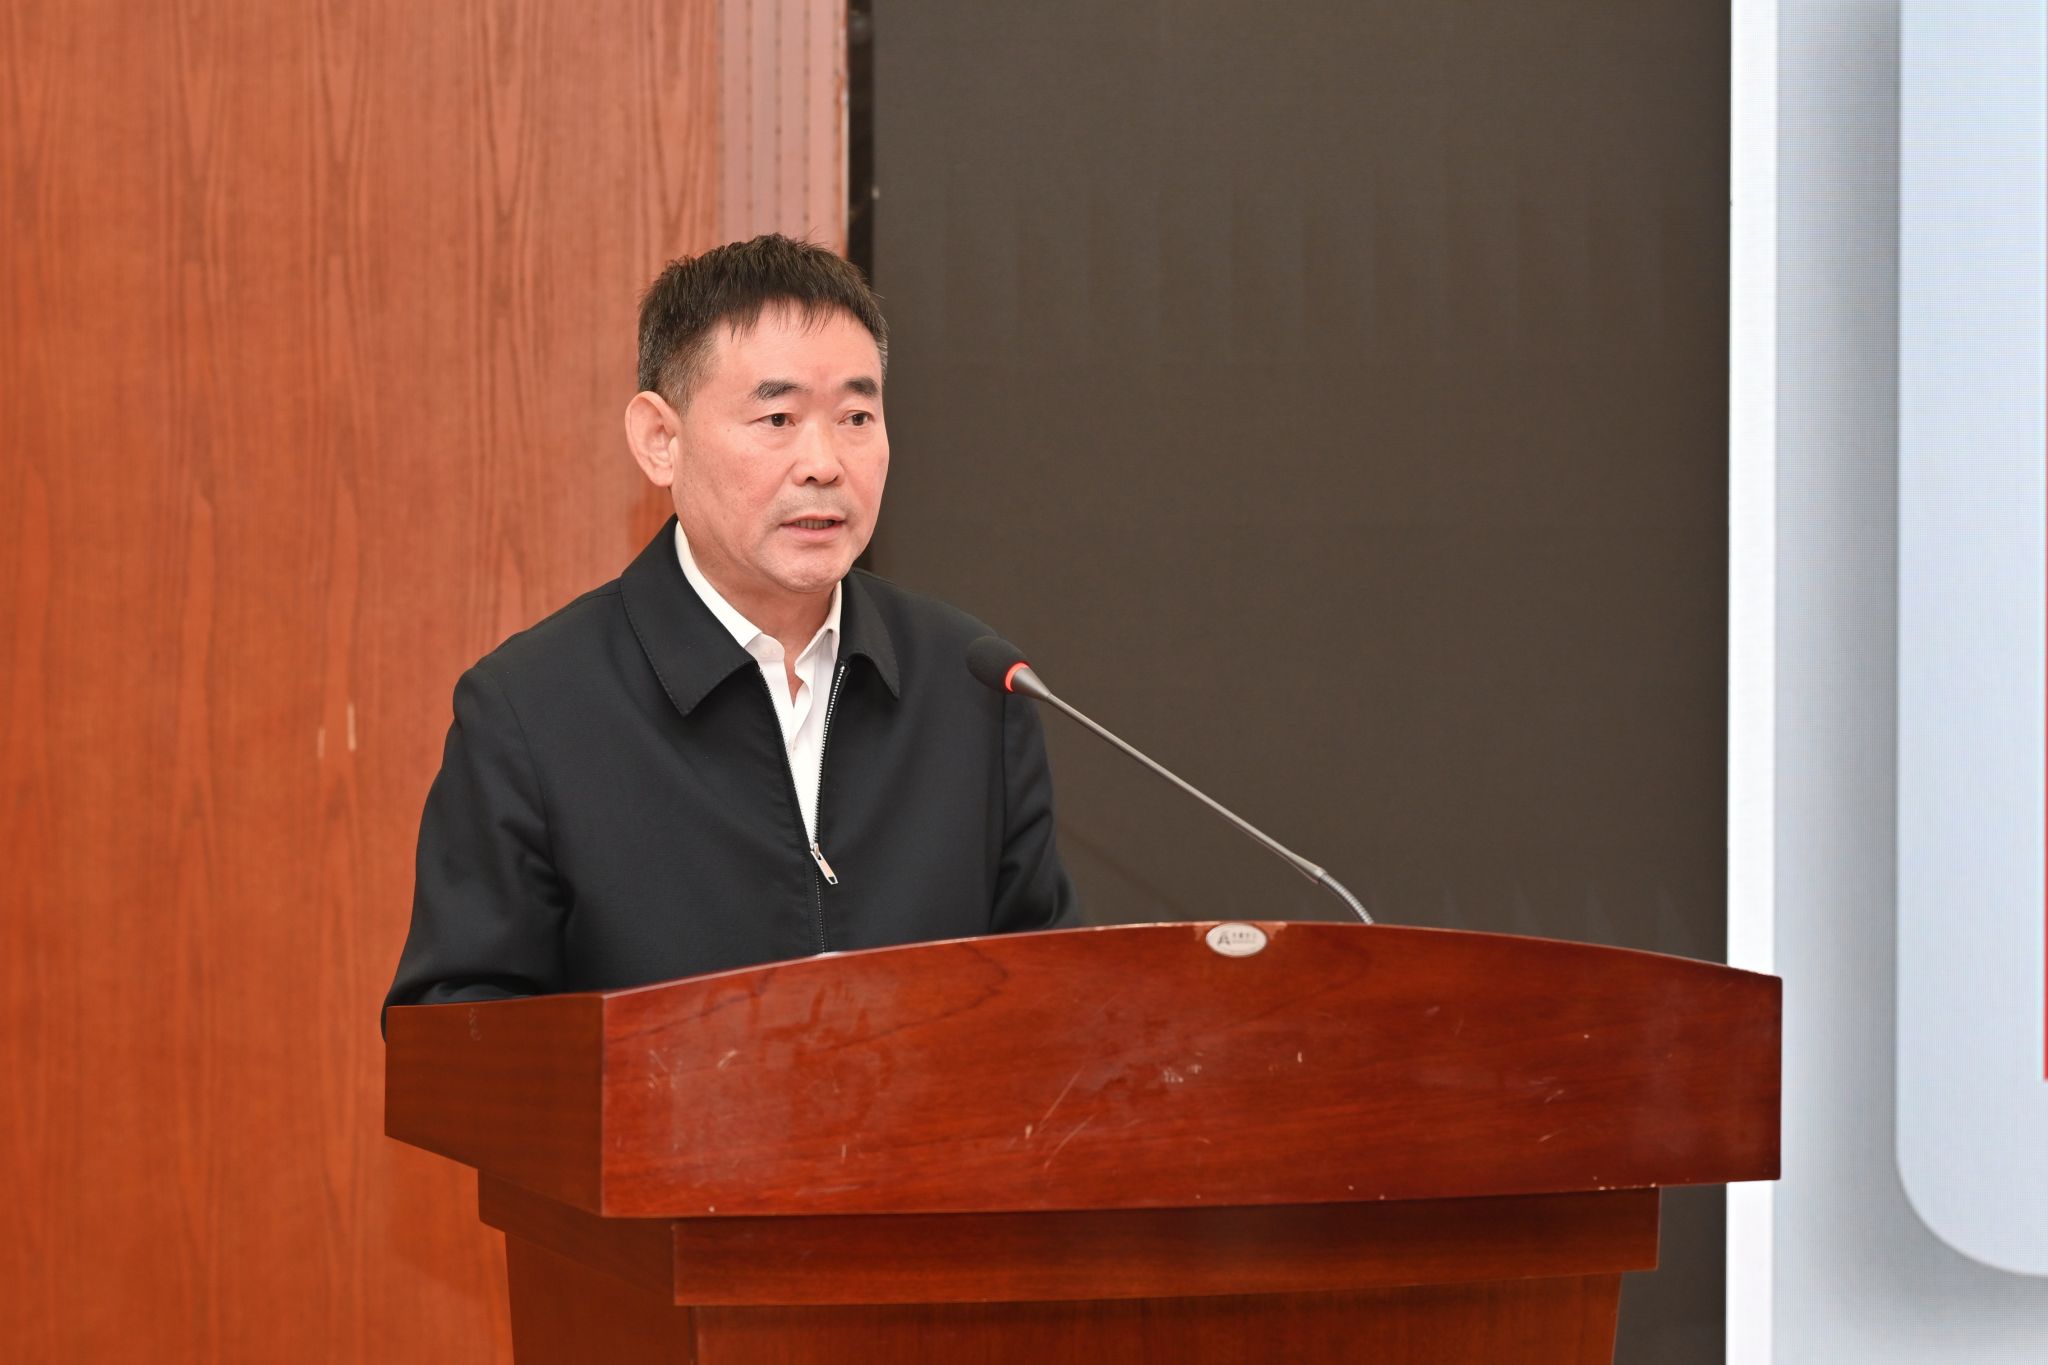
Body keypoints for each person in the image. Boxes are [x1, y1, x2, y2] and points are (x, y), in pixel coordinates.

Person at [383, 235, 1078, 1018]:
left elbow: (1055, 1002)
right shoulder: (533, 711)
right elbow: (456, 1032)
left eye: (856, 415)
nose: (824, 463)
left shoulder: (973, 687)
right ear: (661, 440)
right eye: (777, 416)